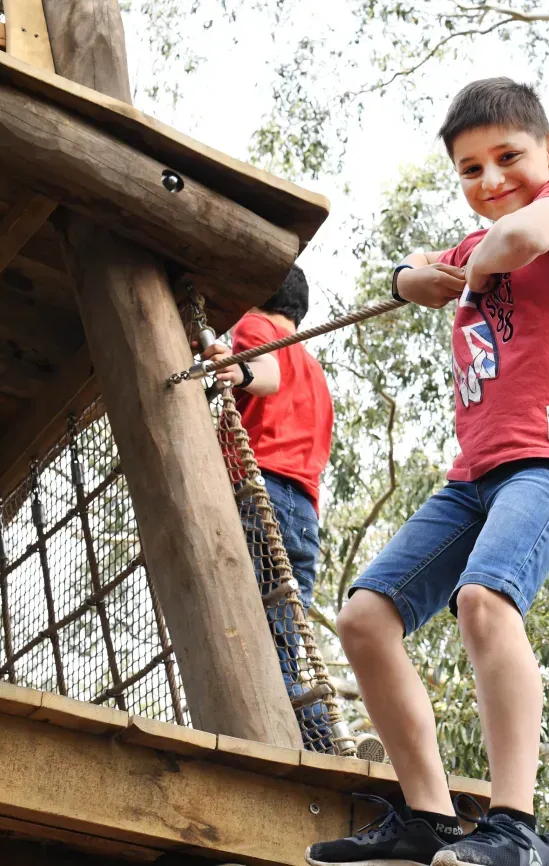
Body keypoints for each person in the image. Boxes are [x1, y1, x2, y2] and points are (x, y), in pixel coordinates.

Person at [305, 77, 549, 866]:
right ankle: (427, 817)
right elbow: (408, 273)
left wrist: (456, 267)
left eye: (508, 157)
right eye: (470, 170)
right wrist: (414, 277)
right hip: (472, 476)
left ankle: (517, 827)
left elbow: (515, 243)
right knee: (364, 619)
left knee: (484, 600)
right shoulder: (473, 246)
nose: (492, 181)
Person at [198, 264, 338, 748]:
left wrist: (239, 369)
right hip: (303, 510)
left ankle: (313, 741)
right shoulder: (317, 373)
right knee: (286, 639)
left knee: (259, 637)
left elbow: (266, 373)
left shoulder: (255, 325)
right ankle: (325, 733)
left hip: (262, 493)